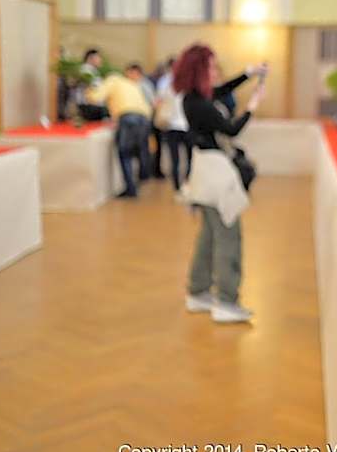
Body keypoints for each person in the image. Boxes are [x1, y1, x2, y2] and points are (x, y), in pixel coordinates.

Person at [174, 43, 267, 323]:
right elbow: (231, 129)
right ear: (201, 69)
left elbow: (223, 89)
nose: (215, 71)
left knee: (209, 234)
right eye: (212, 66)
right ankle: (227, 300)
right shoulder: (199, 103)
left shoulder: (192, 98)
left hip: (204, 173)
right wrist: (252, 107)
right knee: (228, 235)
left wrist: (248, 74)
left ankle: (198, 290)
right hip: (215, 174)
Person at [87, 65, 153, 198]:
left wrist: (88, 90)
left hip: (128, 118)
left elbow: (96, 97)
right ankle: (141, 179)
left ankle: (130, 188)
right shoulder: (133, 84)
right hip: (144, 119)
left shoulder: (113, 80)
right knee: (139, 151)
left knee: (125, 153)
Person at [155, 58, 192, 191]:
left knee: (176, 159)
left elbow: (158, 101)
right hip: (181, 125)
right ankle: (185, 184)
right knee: (188, 158)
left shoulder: (165, 83)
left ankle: (178, 187)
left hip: (174, 125)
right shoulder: (187, 82)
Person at [76, 48, 110, 121]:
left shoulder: (92, 70)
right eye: (98, 57)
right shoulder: (86, 70)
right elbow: (96, 88)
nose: (100, 60)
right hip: (89, 106)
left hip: (92, 106)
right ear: (90, 58)